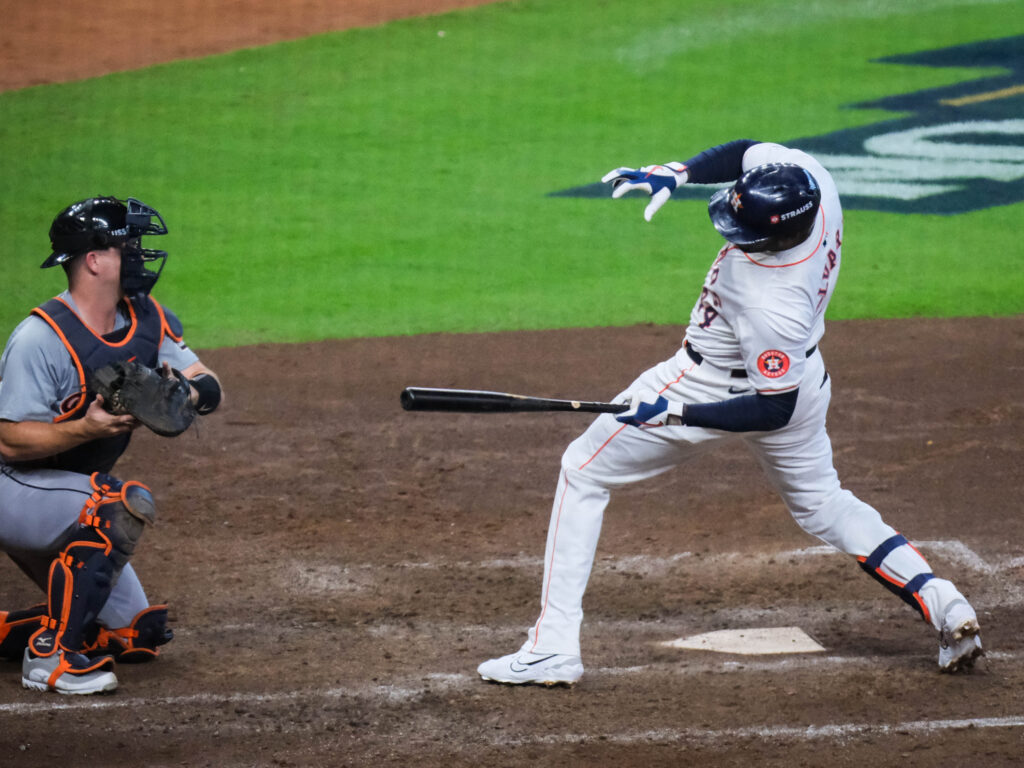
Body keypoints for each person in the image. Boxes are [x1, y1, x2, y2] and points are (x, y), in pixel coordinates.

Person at [476, 140, 983, 686]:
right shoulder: (811, 179)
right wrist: (680, 171)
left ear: (778, 235)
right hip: (803, 375)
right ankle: (947, 605)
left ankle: (551, 647)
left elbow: (773, 409)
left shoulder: (772, 298)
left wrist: (676, 413)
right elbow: (745, 150)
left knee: (583, 469)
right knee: (824, 504)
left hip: (718, 380)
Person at [0, 196, 224, 694]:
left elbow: (209, 384)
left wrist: (182, 392)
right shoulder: (40, 339)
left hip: (60, 490)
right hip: (10, 483)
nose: (141, 257)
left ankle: (9, 632)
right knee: (114, 505)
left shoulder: (145, 318)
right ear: (95, 260)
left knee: (135, 633)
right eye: (130, 247)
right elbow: (10, 441)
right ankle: (49, 658)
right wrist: (85, 428)